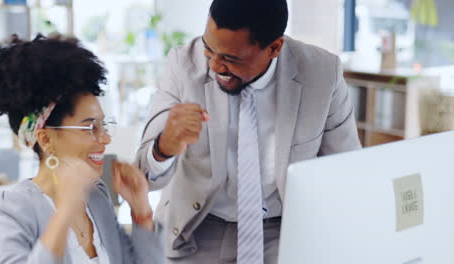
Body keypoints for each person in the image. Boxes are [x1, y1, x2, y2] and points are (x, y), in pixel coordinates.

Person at [136, 0, 361, 263]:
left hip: (283, 230)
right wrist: (163, 148)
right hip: (197, 229)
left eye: (231, 58)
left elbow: (347, 170)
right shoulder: (182, 65)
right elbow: (142, 175)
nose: (215, 66)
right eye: (209, 50)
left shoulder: (322, 74)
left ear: (274, 47)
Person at [0, 34, 163, 264]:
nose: (105, 138)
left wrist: (141, 211)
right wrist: (64, 213)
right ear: (45, 139)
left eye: (104, 124)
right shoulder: (8, 210)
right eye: (90, 126)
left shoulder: (95, 196)